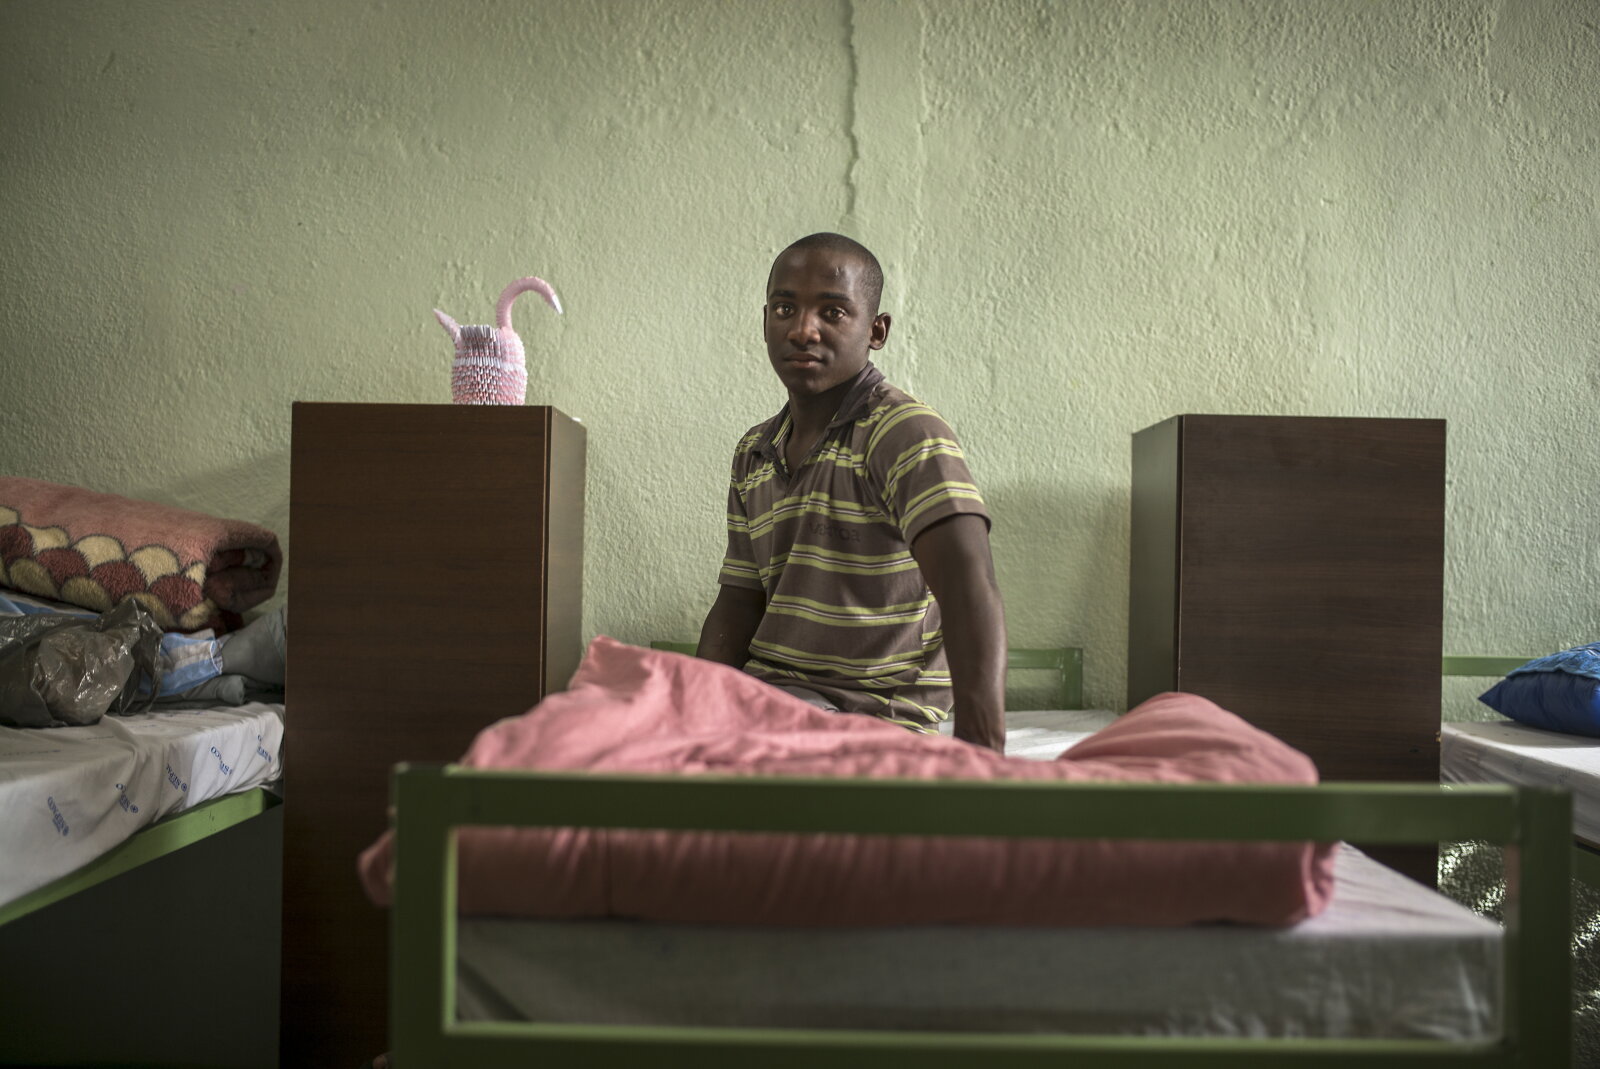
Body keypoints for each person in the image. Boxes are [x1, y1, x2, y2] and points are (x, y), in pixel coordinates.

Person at [696, 233, 1007, 752]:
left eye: (833, 312)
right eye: (784, 307)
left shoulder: (904, 433)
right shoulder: (754, 451)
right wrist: (687, 708)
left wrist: (983, 756)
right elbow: (738, 602)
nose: (802, 329)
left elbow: (968, 586)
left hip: (873, 715)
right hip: (768, 701)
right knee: (602, 715)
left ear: (876, 330)